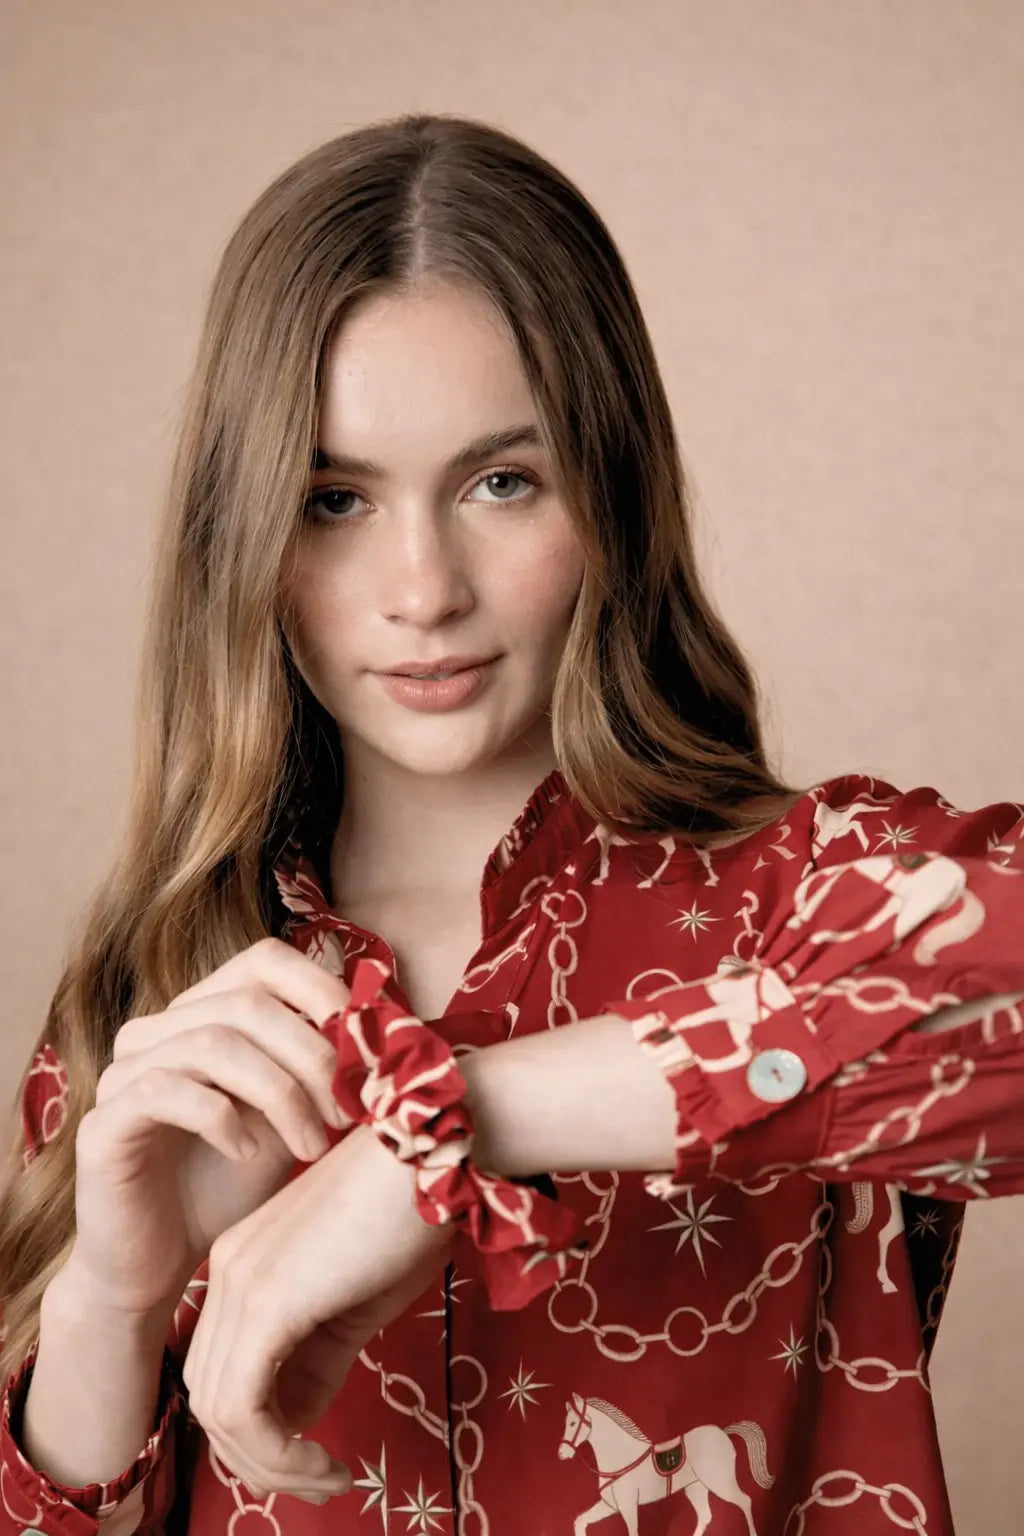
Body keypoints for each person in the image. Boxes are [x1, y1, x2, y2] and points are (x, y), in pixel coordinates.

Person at [0, 111, 1021, 1536]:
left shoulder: (808, 899)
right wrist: (108, 1303)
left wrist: (455, 1126)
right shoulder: (155, 1001)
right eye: (334, 499)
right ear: (245, 539)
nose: (424, 589)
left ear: (610, 495)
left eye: (501, 483)